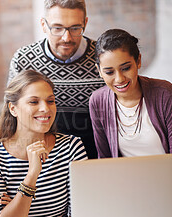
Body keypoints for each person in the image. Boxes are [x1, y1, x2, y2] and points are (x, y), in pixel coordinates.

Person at [89, 28, 172, 217]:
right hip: (131, 203)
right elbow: (106, 162)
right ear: (99, 70)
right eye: (109, 71)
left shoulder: (166, 95)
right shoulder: (98, 102)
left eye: (126, 67)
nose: (119, 79)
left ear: (138, 61)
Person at [0, 70, 87, 217]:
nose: (45, 108)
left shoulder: (71, 147)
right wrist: (32, 175)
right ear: (13, 109)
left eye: (50, 101)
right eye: (34, 101)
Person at [7, 0, 105, 159]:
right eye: (57, 28)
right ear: (43, 25)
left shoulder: (103, 57)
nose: (66, 38)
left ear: (85, 23)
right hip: (41, 159)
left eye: (75, 28)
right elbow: (11, 117)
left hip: (94, 158)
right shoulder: (23, 60)